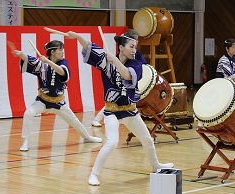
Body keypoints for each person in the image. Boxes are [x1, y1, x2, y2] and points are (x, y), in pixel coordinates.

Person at [66, 30, 174, 186]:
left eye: (135, 47)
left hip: (130, 110)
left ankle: (156, 165)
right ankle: (94, 175)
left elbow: (128, 76)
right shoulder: (106, 61)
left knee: (147, 139)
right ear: (121, 48)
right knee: (112, 142)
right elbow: (91, 48)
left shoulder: (136, 62)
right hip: (112, 112)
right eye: (131, 46)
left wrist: (114, 61)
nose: (134, 50)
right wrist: (78, 37)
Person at [12, 40, 102, 151]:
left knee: (74, 121)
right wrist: (20, 54)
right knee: (28, 113)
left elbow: (62, 73)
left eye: (62, 49)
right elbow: (29, 59)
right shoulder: (42, 65)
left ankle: (87, 137)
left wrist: (48, 62)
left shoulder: (63, 63)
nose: (62, 52)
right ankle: (25, 141)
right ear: (53, 52)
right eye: (60, 50)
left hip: (59, 102)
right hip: (43, 101)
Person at [91, 29, 147, 127]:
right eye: (135, 40)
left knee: (118, 99)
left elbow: (144, 65)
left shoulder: (136, 53)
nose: (135, 45)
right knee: (115, 100)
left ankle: (101, 118)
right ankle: (99, 119)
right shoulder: (125, 52)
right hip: (122, 76)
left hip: (132, 77)